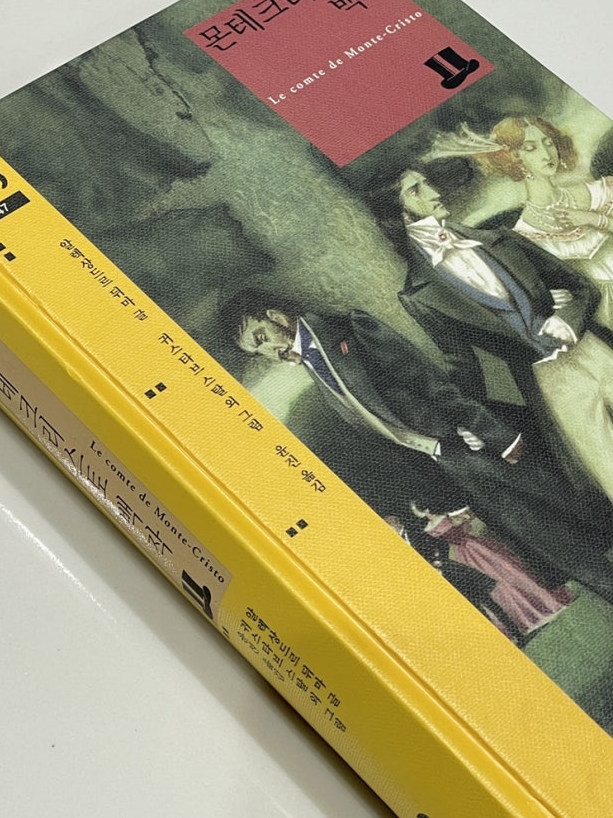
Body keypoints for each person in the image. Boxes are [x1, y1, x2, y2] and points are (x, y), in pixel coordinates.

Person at [222, 290, 613, 604]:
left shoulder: (350, 328)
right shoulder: (314, 370)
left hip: (478, 441)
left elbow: (429, 382)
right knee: (549, 540)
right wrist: (448, 496)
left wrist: (494, 434)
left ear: (276, 315)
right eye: (258, 351)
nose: (268, 351)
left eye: (261, 337)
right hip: (452, 467)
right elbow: (391, 439)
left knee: (579, 509)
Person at [388, 165, 613, 504]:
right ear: (398, 213)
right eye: (415, 190)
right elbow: (462, 362)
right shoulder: (418, 294)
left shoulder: (500, 238)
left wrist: (567, 320)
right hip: (548, 382)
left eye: (427, 183)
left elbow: (581, 287)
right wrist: (472, 422)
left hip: (591, 349)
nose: (434, 193)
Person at [472, 116, 613, 329]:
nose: (546, 154)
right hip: (601, 320)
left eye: (548, 143)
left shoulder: (601, 192)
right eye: (531, 148)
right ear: (514, 158)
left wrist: (594, 219)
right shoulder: (523, 236)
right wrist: (550, 299)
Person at [409, 503, 576, 641]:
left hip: (466, 552)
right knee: (505, 573)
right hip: (474, 547)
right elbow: (465, 527)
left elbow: (451, 539)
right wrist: (464, 524)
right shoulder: (443, 519)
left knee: (506, 573)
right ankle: (535, 607)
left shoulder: (430, 529)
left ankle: (530, 609)